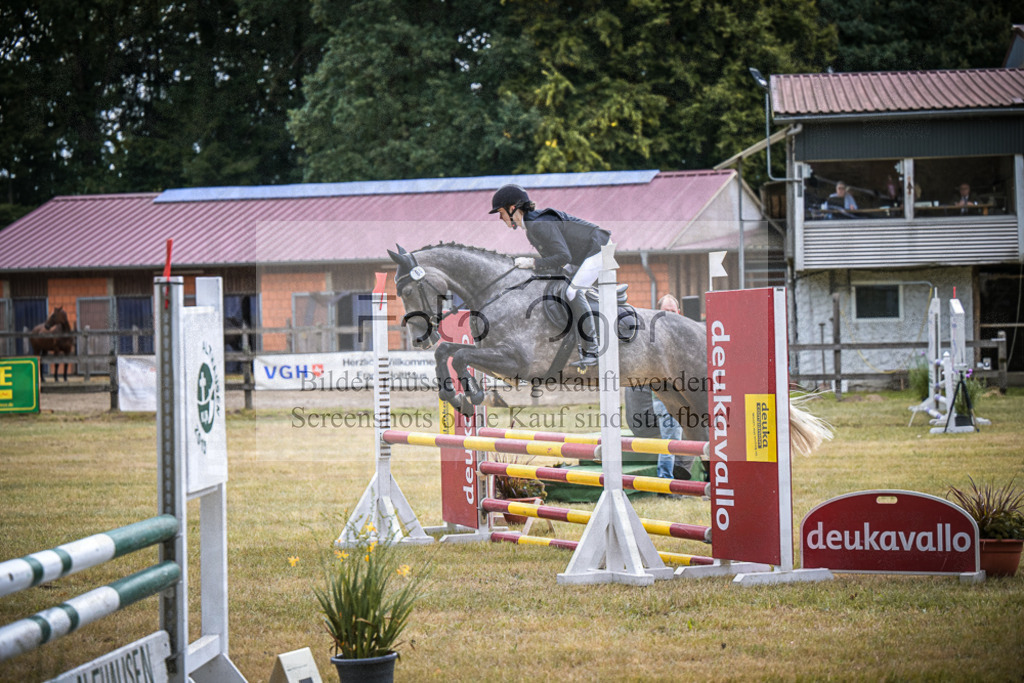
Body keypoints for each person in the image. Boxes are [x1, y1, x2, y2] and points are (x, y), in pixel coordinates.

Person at [490, 184, 610, 368]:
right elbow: (555, 265)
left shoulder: (538, 224)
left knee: (572, 292)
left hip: (599, 248)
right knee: (560, 286)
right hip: (583, 255)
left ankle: (592, 349)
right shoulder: (531, 228)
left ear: (512, 208)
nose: (500, 218)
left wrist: (533, 262)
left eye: (501, 212)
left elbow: (563, 257)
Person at [650, 294, 688, 482]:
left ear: (679, 312)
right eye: (666, 311)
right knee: (670, 443)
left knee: (677, 442)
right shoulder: (655, 337)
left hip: (684, 400)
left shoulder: (683, 335)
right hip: (666, 400)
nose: (670, 315)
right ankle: (665, 482)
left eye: (673, 311)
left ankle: (676, 478)